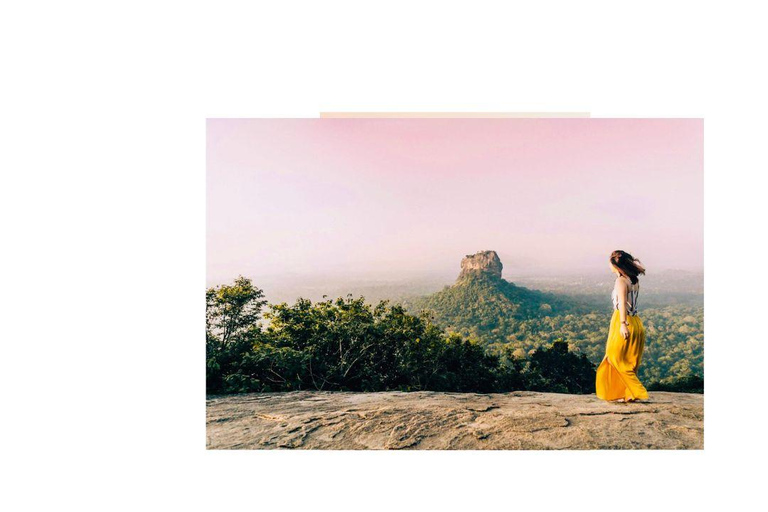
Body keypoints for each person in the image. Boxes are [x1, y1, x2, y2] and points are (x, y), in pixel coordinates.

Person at [595, 250, 649, 402]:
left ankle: (638, 392)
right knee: (629, 360)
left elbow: (622, 305)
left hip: (623, 320)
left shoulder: (621, 282)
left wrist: (622, 324)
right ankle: (627, 393)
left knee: (615, 357)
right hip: (636, 321)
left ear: (616, 266)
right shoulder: (633, 280)